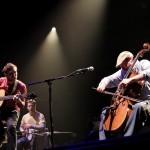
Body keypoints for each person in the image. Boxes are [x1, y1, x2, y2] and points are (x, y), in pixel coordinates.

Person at [96, 49, 150, 140]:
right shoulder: (124, 72)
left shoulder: (143, 64)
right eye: (121, 66)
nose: (123, 69)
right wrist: (102, 84)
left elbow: (149, 73)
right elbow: (108, 79)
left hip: (147, 102)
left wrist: (130, 80)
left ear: (131, 60)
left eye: (124, 66)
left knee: (137, 107)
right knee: (105, 111)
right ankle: (103, 142)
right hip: (130, 103)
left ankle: (126, 140)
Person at [0, 62, 27, 150]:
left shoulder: (21, 86)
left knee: (11, 126)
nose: (14, 75)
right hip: (1, 110)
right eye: (11, 73)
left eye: (15, 72)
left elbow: (22, 105)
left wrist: (18, 101)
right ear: (6, 74)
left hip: (13, 111)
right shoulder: (1, 81)